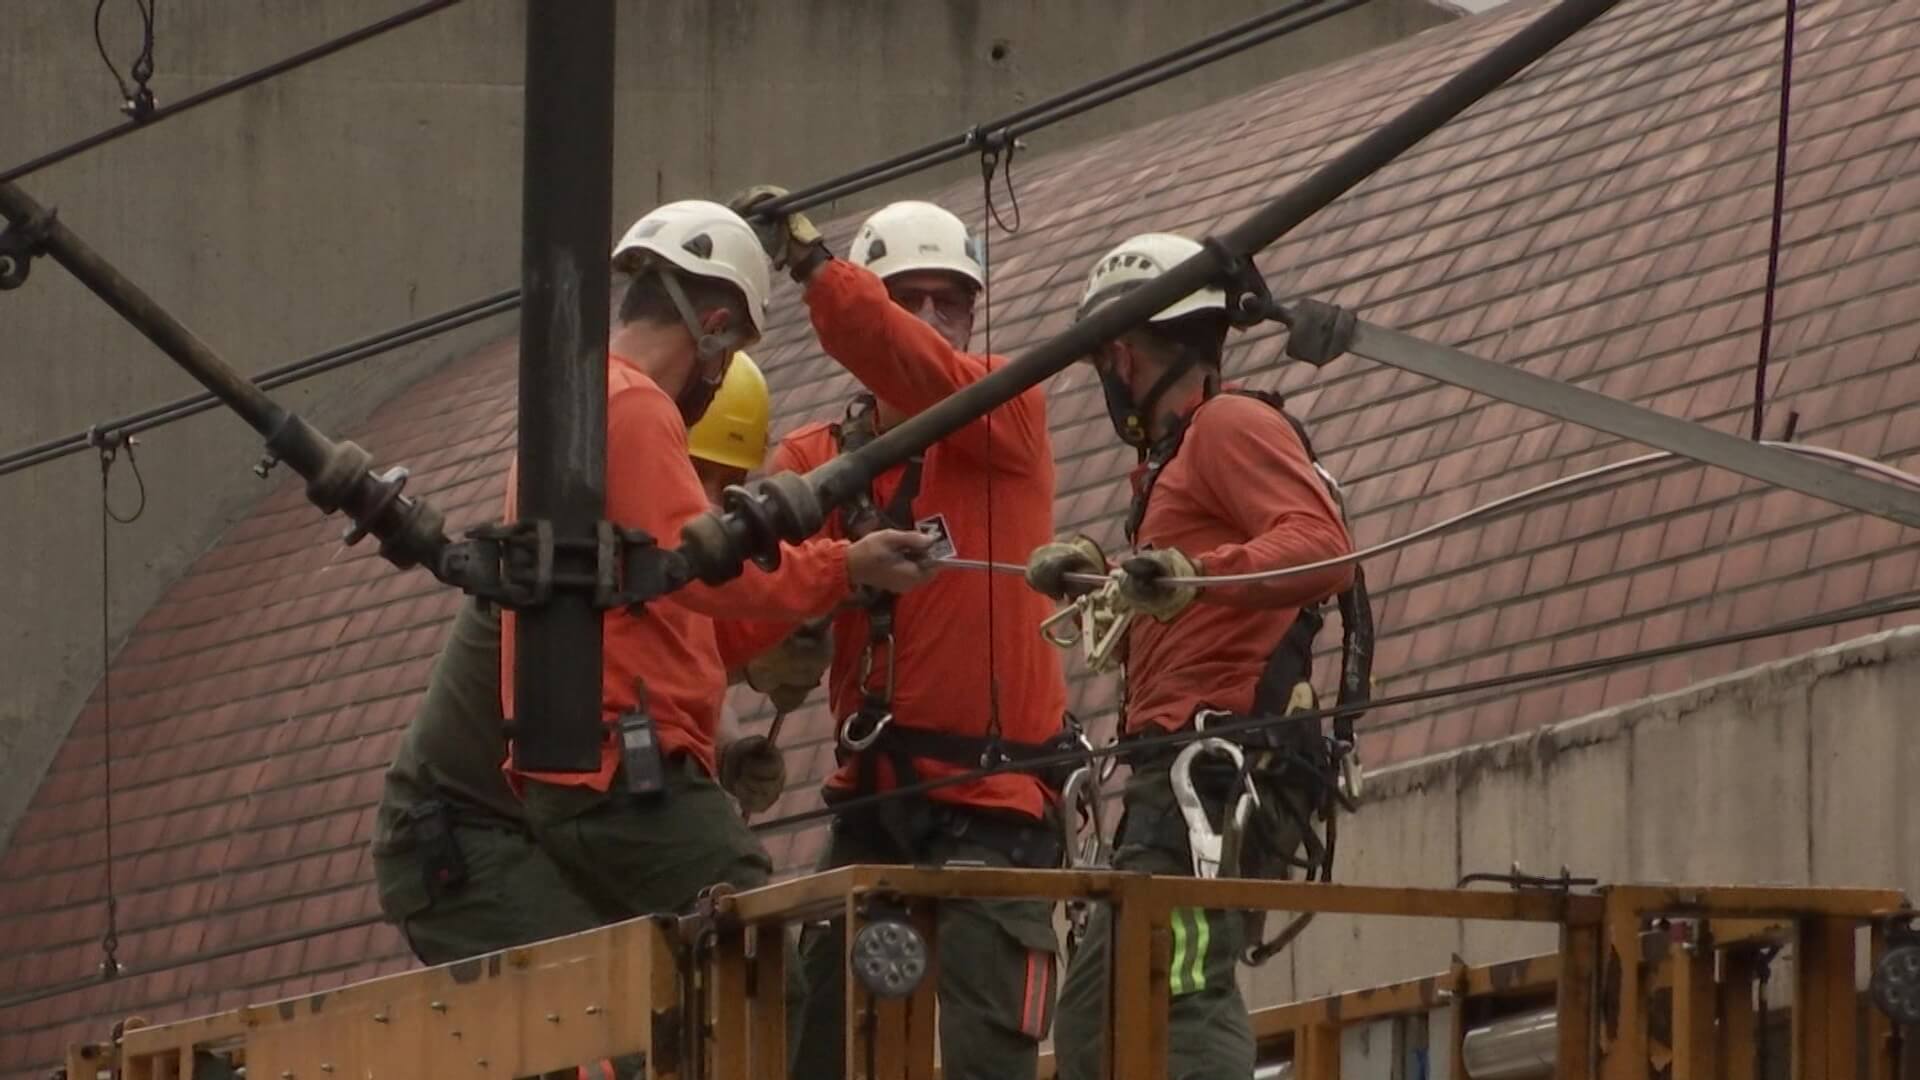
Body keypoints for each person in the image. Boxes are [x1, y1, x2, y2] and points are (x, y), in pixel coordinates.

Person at [501, 199, 939, 926]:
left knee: (680, 982)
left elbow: (664, 597)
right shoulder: (637, 408)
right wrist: (845, 566)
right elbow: (709, 564)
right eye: (731, 352)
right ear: (714, 329)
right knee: (751, 945)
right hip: (631, 765)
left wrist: (769, 654)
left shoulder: (574, 407)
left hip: (580, 764)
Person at [731, 191, 1068, 1080]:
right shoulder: (815, 462)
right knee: (819, 1046)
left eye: (948, 299)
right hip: (877, 804)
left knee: (986, 1056)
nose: (930, 319)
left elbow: (905, 361)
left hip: (994, 804)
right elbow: (746, 593)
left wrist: (816, 270)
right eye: (906, 297)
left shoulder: (1007, 413)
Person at [1027, 233, 1357, 1080]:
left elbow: (1323, 548)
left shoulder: (1228, 426)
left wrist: (1191, 573)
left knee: (1176, 990)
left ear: (1126, 358)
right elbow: (1195, 605)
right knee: (1102, 1008)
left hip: (1214, 772)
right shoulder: (1179, 463)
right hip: (1176, 777)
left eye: (1106, 362)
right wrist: (1105, 580)